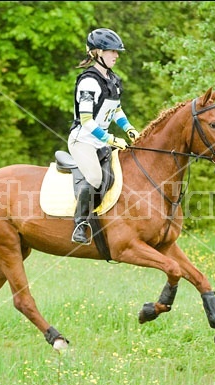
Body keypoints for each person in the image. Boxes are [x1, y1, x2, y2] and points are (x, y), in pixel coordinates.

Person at [68, 28, 140, 245]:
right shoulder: (88, 82)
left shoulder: (113, 79)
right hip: (83, 140)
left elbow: (116, 110)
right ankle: (80, 224)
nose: (116, 55)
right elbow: (87, 121)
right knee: (95, 177)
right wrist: (111, 139)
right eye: (111, 51)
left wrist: (129, 129)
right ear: (97, 53)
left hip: (99, 140)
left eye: (117, 52)